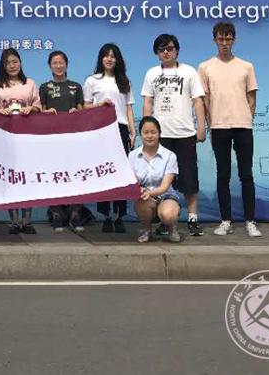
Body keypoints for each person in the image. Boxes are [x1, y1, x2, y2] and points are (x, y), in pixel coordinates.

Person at [198, 21, 261, 238]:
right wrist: (210, 123)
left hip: (243, 126)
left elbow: (251, 98)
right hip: (219, 127)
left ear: (234, 40)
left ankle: (250, 221)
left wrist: (247, 118)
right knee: (223, 174)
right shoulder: (205, 67)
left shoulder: (246, 66)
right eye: (220, 39)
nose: (224, 43)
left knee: (246, 175)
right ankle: (225, 220)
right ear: (214, 40)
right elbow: (205, 100)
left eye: (228, 38)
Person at [141, 33, 207, 237]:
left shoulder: (189, 71)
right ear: (156, 53)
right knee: (162, 181)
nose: (166, 52)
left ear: (177, 50)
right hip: (161, 135)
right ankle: (164, 220)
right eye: (162, 49)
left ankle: (193, 219)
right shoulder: (152, 73)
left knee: (189, 179)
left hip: (185, 133)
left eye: (169, 48)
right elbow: (148, 102)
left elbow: (197, 100)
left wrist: (201, 126)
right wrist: (146, 129)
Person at [84, 42, 135, 233]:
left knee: (120, 173)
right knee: (104, 173)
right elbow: (85, 107)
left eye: (113, 56)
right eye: (106, 55)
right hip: (100, 130)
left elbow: (128, 108)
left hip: (120, 128)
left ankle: (119, 216)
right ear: (101, 58)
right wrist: (100, 105)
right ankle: (105, 215)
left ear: (117, 59)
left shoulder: (125, 81)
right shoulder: (92, 80)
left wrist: (132, 131)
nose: (109, 59)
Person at [0, 47, 41, 234]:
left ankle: (27, 220)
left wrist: (32, 109)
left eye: (15, 61)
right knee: (10, 177)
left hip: (27, 137)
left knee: (27, 177)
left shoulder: (30, 83)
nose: (12, 65)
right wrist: (0, 111)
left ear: (20, 63)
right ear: (3, 66)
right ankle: (14, 221)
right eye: (8, 63)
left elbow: (38, 105)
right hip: (5, 137)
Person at [38, 49, 86, 232]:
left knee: (77, 176)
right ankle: (56, 214)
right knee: (54, 176)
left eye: (61, 62)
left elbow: (82, 111)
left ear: (66, 65)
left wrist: (77, 112)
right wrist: (46, 112)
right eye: (54, 63)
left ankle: (75, 214)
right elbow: (41, 111)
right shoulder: (45, 87)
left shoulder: (76, 86)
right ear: (49, 66)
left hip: (74, 140)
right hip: (52, 140)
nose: (58, 66)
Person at [130, 115, 186, 243]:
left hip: (165, 195)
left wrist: (149, 193)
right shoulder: (132, 156)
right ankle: (147, 230)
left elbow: (165, 186)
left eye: (153, 132)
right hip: (145, 197)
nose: (149, 136)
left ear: (159, 133)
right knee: (141, 204)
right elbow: (132, 182)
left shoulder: (170, 156)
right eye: (146, 132)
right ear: (140, 134)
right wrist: (139, 190)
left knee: (168, 215)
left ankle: (172, 228)